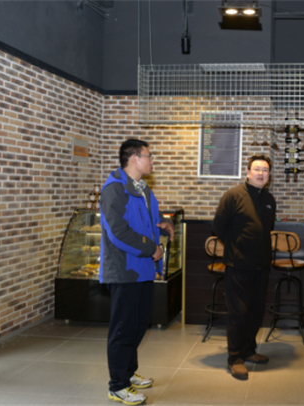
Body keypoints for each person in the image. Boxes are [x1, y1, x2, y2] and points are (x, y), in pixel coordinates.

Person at [100, 139, 174, 406]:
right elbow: (118, 232)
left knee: (138, 324)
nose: (152, 161)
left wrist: (162, 222)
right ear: (134, 158)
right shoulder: (114, 189)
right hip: (125, 270)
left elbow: (146, 218)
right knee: (123, 329)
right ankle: (117, 386)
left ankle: (128, 373)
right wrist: (151, 248)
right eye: (148, 156)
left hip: (143, 269)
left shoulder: (143, 189)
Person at [212, 155, 277, 381]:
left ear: (269, 176)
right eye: (257, 169)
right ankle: (235, 358)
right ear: (248, 172)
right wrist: (235, 246)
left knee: (256, 310)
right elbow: (218, 226)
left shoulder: (269, 199)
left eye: (265, 170)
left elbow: (268, 228)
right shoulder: (233, 195)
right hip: (238, 264)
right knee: (238, 312)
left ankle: (249, 350)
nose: (261, 173)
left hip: (262, 265)